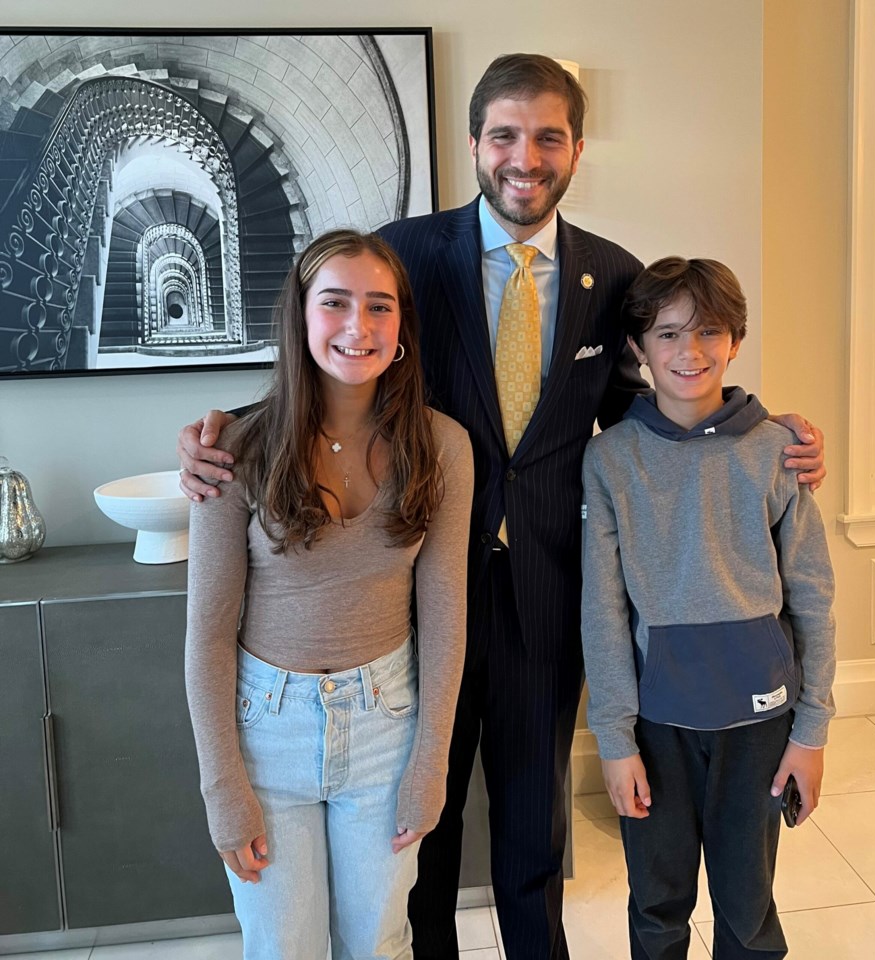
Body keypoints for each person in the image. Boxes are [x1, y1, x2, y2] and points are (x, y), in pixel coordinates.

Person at [177, 55, 826, 960]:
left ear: (576, 148)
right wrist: (229, 434)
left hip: (546, 590)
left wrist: (761, 429)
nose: (527, 156)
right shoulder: (407, 252)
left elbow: (655, 401)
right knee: (419, 829)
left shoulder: (611, 271)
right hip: (406, 593)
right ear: (477, 144)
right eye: (507, 135)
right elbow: (337, 359)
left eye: (549, 136)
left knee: (532, 822)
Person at [184, 229, 473, 960]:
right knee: (284, 946)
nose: (358, 326)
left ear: (402, 326)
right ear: (301, 317)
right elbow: (209, 634)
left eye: (379, 307)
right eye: (336, 303)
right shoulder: (235, 450)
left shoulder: (443, 447)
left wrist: (430, 763)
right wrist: (223, 788)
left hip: (386, 724)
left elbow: (444, 612)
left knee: (378, 941)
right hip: (267, 729)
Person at [581, 256, 836, 960]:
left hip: (760, 722)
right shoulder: (610, 462)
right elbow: (601, 612)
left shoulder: (778, 450)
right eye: (667, 334)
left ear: (735, 341)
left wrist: (810, 733)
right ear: (637, 349)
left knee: (748, 911)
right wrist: (615, 739)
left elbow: (813, 596)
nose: (688, 352)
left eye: (709, 332)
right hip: (657, 727)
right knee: (657, 906)